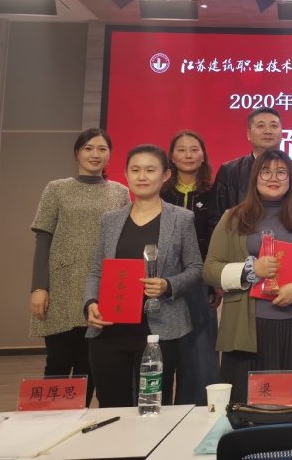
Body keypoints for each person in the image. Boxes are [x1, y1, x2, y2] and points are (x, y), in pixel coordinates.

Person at [203, 149, 292, 403]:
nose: (274, 178)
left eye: (281, 172)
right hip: (244, 328)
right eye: (266, 172)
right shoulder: (232, 217)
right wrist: (250, 271)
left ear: (291, 179)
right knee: (244, 407)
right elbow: (210, 269)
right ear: (254, 177)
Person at [84, 144, 203, 408]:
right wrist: (90, 302)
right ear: (126, 174)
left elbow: (196, 268)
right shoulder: (110, 219)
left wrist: (168, 284)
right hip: (109, 328)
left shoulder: (182, 218)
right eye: (135, 170)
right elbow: (97, 270)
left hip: (159, 330)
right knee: (111, 406)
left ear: (165, 175)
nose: (142, 176)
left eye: (150, 170)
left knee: (153, 406)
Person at [29, 128, 130, 405]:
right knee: (58, 361)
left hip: (101, 287)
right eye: (88, 148)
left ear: (109, 155)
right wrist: (39, 287)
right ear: (77, 153)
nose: (95, 154)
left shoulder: (120, 192)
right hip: (62, 285)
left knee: (90, 364)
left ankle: (79, 417)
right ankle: (52, 419)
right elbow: (43, 239)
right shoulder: (56, 188)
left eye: (102, 149)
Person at [160, 130, 220, 406]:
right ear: (171, 156)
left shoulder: (214, 192)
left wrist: (213, 284)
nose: (188, 155)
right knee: (163, 353)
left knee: (199, 357)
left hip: (200, 281)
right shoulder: (161, 192)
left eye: (194, 149)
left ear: (203, 155)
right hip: (163, 282)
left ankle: (196, 414)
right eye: (181, 150)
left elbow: (218, 239)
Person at [209, 108, 292, 234]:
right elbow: (215, 219)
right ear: (248, 134)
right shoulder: (229, 171)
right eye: (260, 126)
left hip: (288, 242)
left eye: (274, 126)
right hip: (240, 241)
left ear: (281, 133)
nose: (268, 131)